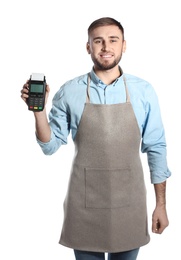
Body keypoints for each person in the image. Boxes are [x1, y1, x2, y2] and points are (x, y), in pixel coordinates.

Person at [21, 17, 171, 260]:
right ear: (88, 47)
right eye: (98, 41)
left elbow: (156, 148)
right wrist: (39, 112)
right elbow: (50, 146)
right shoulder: (70, 91)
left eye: (113, 40)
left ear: (124, 45)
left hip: (130, 205)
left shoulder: (144, 91)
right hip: (84, 205)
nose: (106, 47)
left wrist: (161, 205)